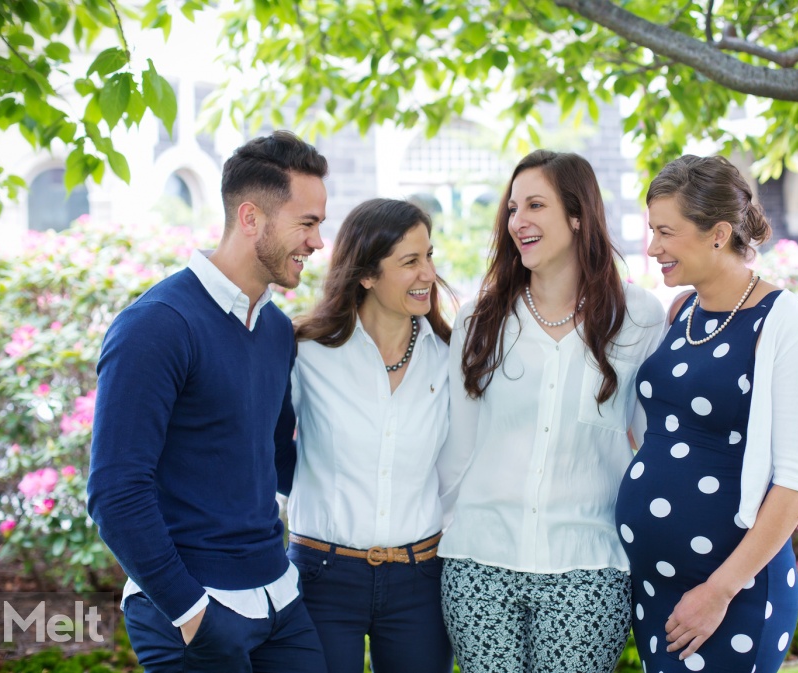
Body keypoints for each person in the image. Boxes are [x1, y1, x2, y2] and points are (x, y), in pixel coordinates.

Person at [87, 131, 330, 673]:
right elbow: (114, 491)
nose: (318, 242)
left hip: (279, 598)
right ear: (251, 218)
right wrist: (192, 613)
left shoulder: (273, 328)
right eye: (307, 223)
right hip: (193, 610)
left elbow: (275, 457)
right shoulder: (156, 326)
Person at [435, 149, 667, 673]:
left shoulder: (639, 318)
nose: (519, 222)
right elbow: (460, 447)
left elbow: (655, 447)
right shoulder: (480, 319)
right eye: (513, 209)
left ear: (577, 215)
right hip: (480, 562)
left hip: (590, 565)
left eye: (536, 205)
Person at [615, 155, 798, 673]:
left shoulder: (786, 323)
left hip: (731, 592)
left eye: (666, 232)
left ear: (717, 233)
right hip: (657, 587)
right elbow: (665, 435)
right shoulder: (681, 312)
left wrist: (717, 592)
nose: (653, 248)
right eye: (652, 231)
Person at [279, 198, 455, 673]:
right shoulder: (306, 352)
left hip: (420, 579)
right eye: (410, 262)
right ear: (367, 275)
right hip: (321, 576)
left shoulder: (452, 359)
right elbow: (269, 450)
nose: (428, 274)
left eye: (430, 256)